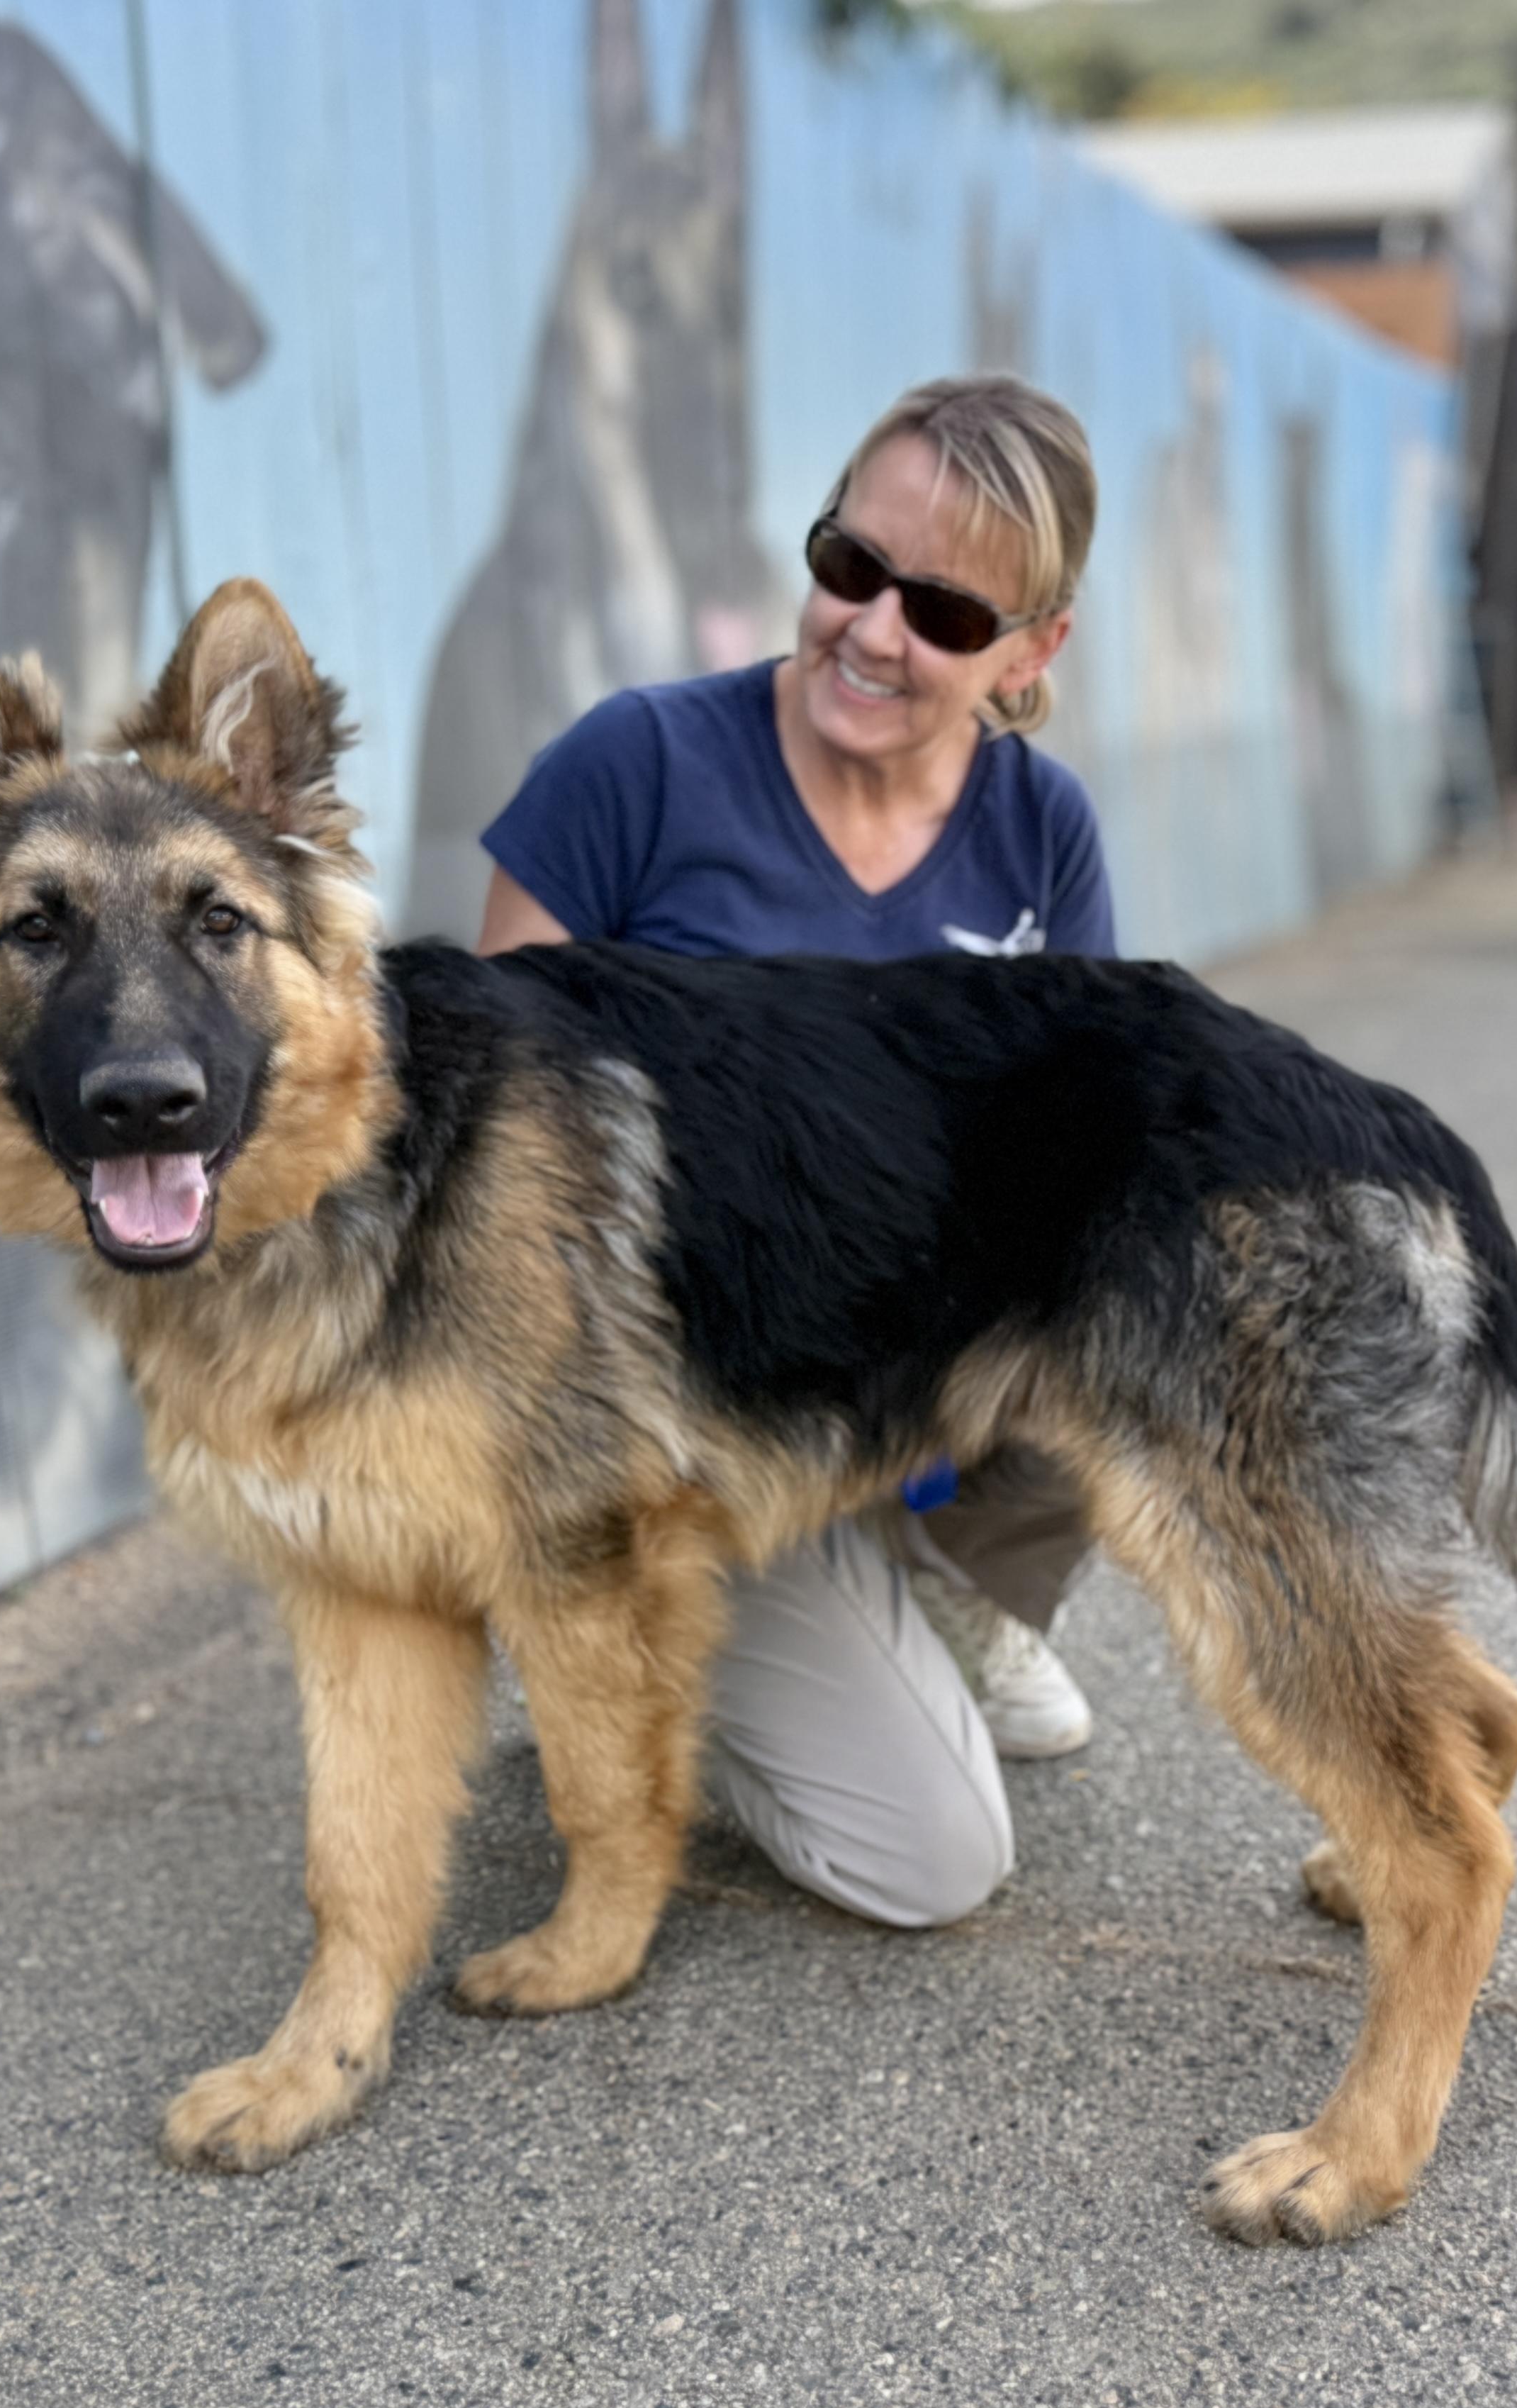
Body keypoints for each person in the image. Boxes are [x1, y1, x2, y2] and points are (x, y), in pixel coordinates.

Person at [474, 374, 1113, 1929]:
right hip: (694, 1413)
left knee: (1146, 1298)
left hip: (909, 1369)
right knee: (932, 1861)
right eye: (850, 565)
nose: (874, 631)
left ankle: (956, 1587)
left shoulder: (1044, 833)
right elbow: (486, 1163)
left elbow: (1082, 1145)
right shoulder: (632, 767)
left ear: (1030, 652)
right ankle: (602, 1639)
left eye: (944, 613)